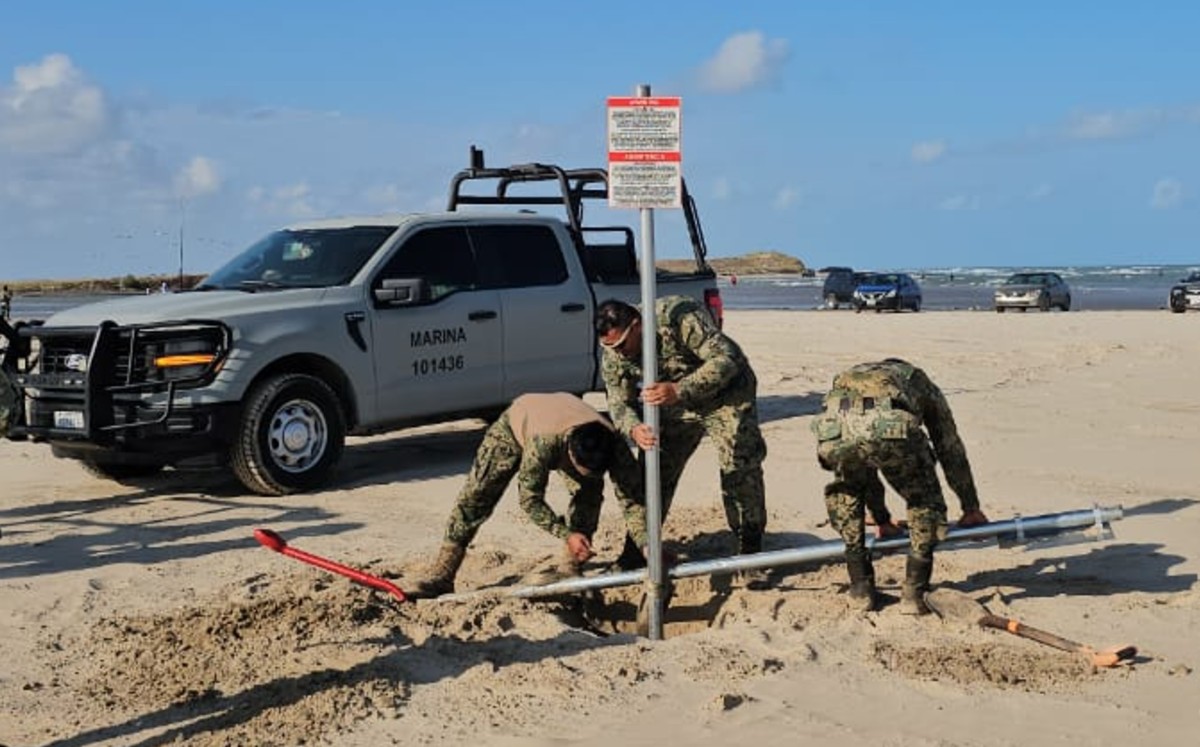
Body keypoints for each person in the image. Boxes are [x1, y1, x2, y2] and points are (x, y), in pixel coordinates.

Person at [406, 392, 648, 599]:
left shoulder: (615, 445)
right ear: (568, 453)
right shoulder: (544, 443)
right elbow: (530, 499)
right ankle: (443, 573)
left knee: (589, 491)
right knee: (477, 495)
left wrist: (646, 544)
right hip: (518, 424)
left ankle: (570, 566)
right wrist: (566, 533)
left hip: (569, 418)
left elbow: (634, 500)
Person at [594, 296, 768, 569]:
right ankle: (639, 546)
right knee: (652, 468)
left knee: (738, 464)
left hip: (725, 394)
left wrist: (680, 390)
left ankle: (750, 549)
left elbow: (728, 357)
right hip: (674, 406)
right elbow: (618, 402)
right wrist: (633, 427)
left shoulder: (677, 317)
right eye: (609, 347)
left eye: (621, 344)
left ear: (637, 325)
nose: (617, 352)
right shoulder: (614, 355)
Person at [810, 358, 989, 615]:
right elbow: (949, 448)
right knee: (923, 498)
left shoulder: (847, 377)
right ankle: (914, 593)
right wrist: (970, 506)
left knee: (849, 485)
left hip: (835, 430)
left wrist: (882, 520)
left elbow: (867, 460)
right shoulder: (920, 382)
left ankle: (860, 588)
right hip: (891, 427)